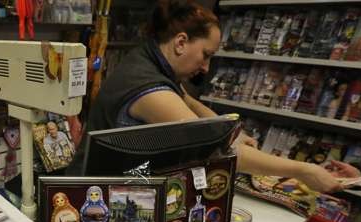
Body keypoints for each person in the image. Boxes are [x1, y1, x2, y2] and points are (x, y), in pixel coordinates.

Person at [83, 0, 342, 193]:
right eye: (206, 55)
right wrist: (303, 170)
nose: (206, 68)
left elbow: (185, 98)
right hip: (101, 192)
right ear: (181, 42)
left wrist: (230, 129)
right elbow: (218, 151)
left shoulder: (150, 59)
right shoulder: (152, 91)